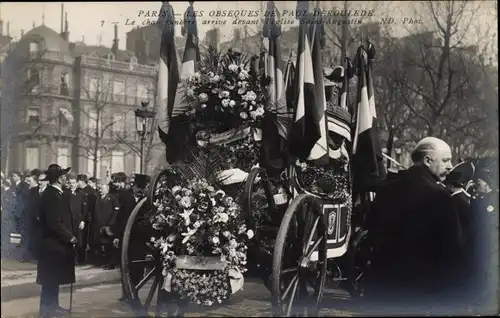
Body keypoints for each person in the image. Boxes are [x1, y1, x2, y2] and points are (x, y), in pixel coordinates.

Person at [365, 137, 466, 312]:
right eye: (445, 160)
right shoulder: (439, 195)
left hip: (381, 287)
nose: (450, 166)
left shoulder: (387, 188)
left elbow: (371, 232)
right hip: (421, 292)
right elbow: (453, 249)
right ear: (427, 160)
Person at [36, 164, 77, 318]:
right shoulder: (52, 195)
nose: (67, 179)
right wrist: (70, 236)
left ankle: (53, 306)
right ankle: (47, 309)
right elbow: (54, 223)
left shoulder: (55, 193)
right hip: (53, 244)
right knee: (50, 279)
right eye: (65, 176)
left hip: (54, 244)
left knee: (53, 278)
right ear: (59, 179)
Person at [114, 174, 151, 301]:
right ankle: (126, 293)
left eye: (142, 188)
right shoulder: (125, 198)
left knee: (138, 267)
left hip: (139, 240)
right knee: (125, 266)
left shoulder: (146, 201)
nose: (140, 191)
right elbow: (119, 219)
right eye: (138, 188)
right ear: (134, 187)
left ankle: (135, 290)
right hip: (126, 238)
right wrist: (117, 236)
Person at [469, 162, 498, 306]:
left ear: (486, 183)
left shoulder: (493, 200)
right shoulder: (477, 199)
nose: (476, 185)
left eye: (478, 182)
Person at [94, 183, 120, 270]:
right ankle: (104, 262)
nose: (100, 190)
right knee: (103, 245)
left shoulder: (112, 198)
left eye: (102, 189)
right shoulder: (97, 198)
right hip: (99, 225)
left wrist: (111, 224)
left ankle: (111, 263)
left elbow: (116, 212)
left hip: (109, 225)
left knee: (109, 245)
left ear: (107, 189)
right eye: (100, 189)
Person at [65, 174, 88, 265]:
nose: (72, 185)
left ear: (77, 183)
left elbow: (85, 209)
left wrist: (83, 220)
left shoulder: (82, 195)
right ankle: (70, 259)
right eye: (70, 183)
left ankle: (79, 259)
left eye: (74, 183)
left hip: (78, 220)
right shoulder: (65, 194)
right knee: (69, 239)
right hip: (68, 220)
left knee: (79, 240)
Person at [77, 174, 97, 264]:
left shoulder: (90, 192)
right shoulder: (81, 191)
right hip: (83, 217)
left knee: (85, 238)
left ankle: (85, 258)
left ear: (81, 181)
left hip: (88, 217)